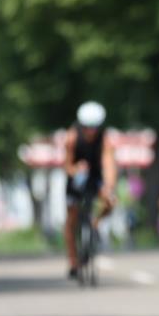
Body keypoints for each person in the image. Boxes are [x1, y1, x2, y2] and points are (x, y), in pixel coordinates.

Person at [64, 101, 117, 279]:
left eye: (95, 127)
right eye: (87, 127)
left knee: (111, 202)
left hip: (95, 177)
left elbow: (109, 165)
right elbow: (67, 165)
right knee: (71, 218)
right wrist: (76, 169)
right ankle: (73, 261)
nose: (91, 131)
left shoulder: (105, 140)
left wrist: (109, 187)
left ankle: (94, 224)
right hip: (76, 178)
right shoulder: (72, 138)